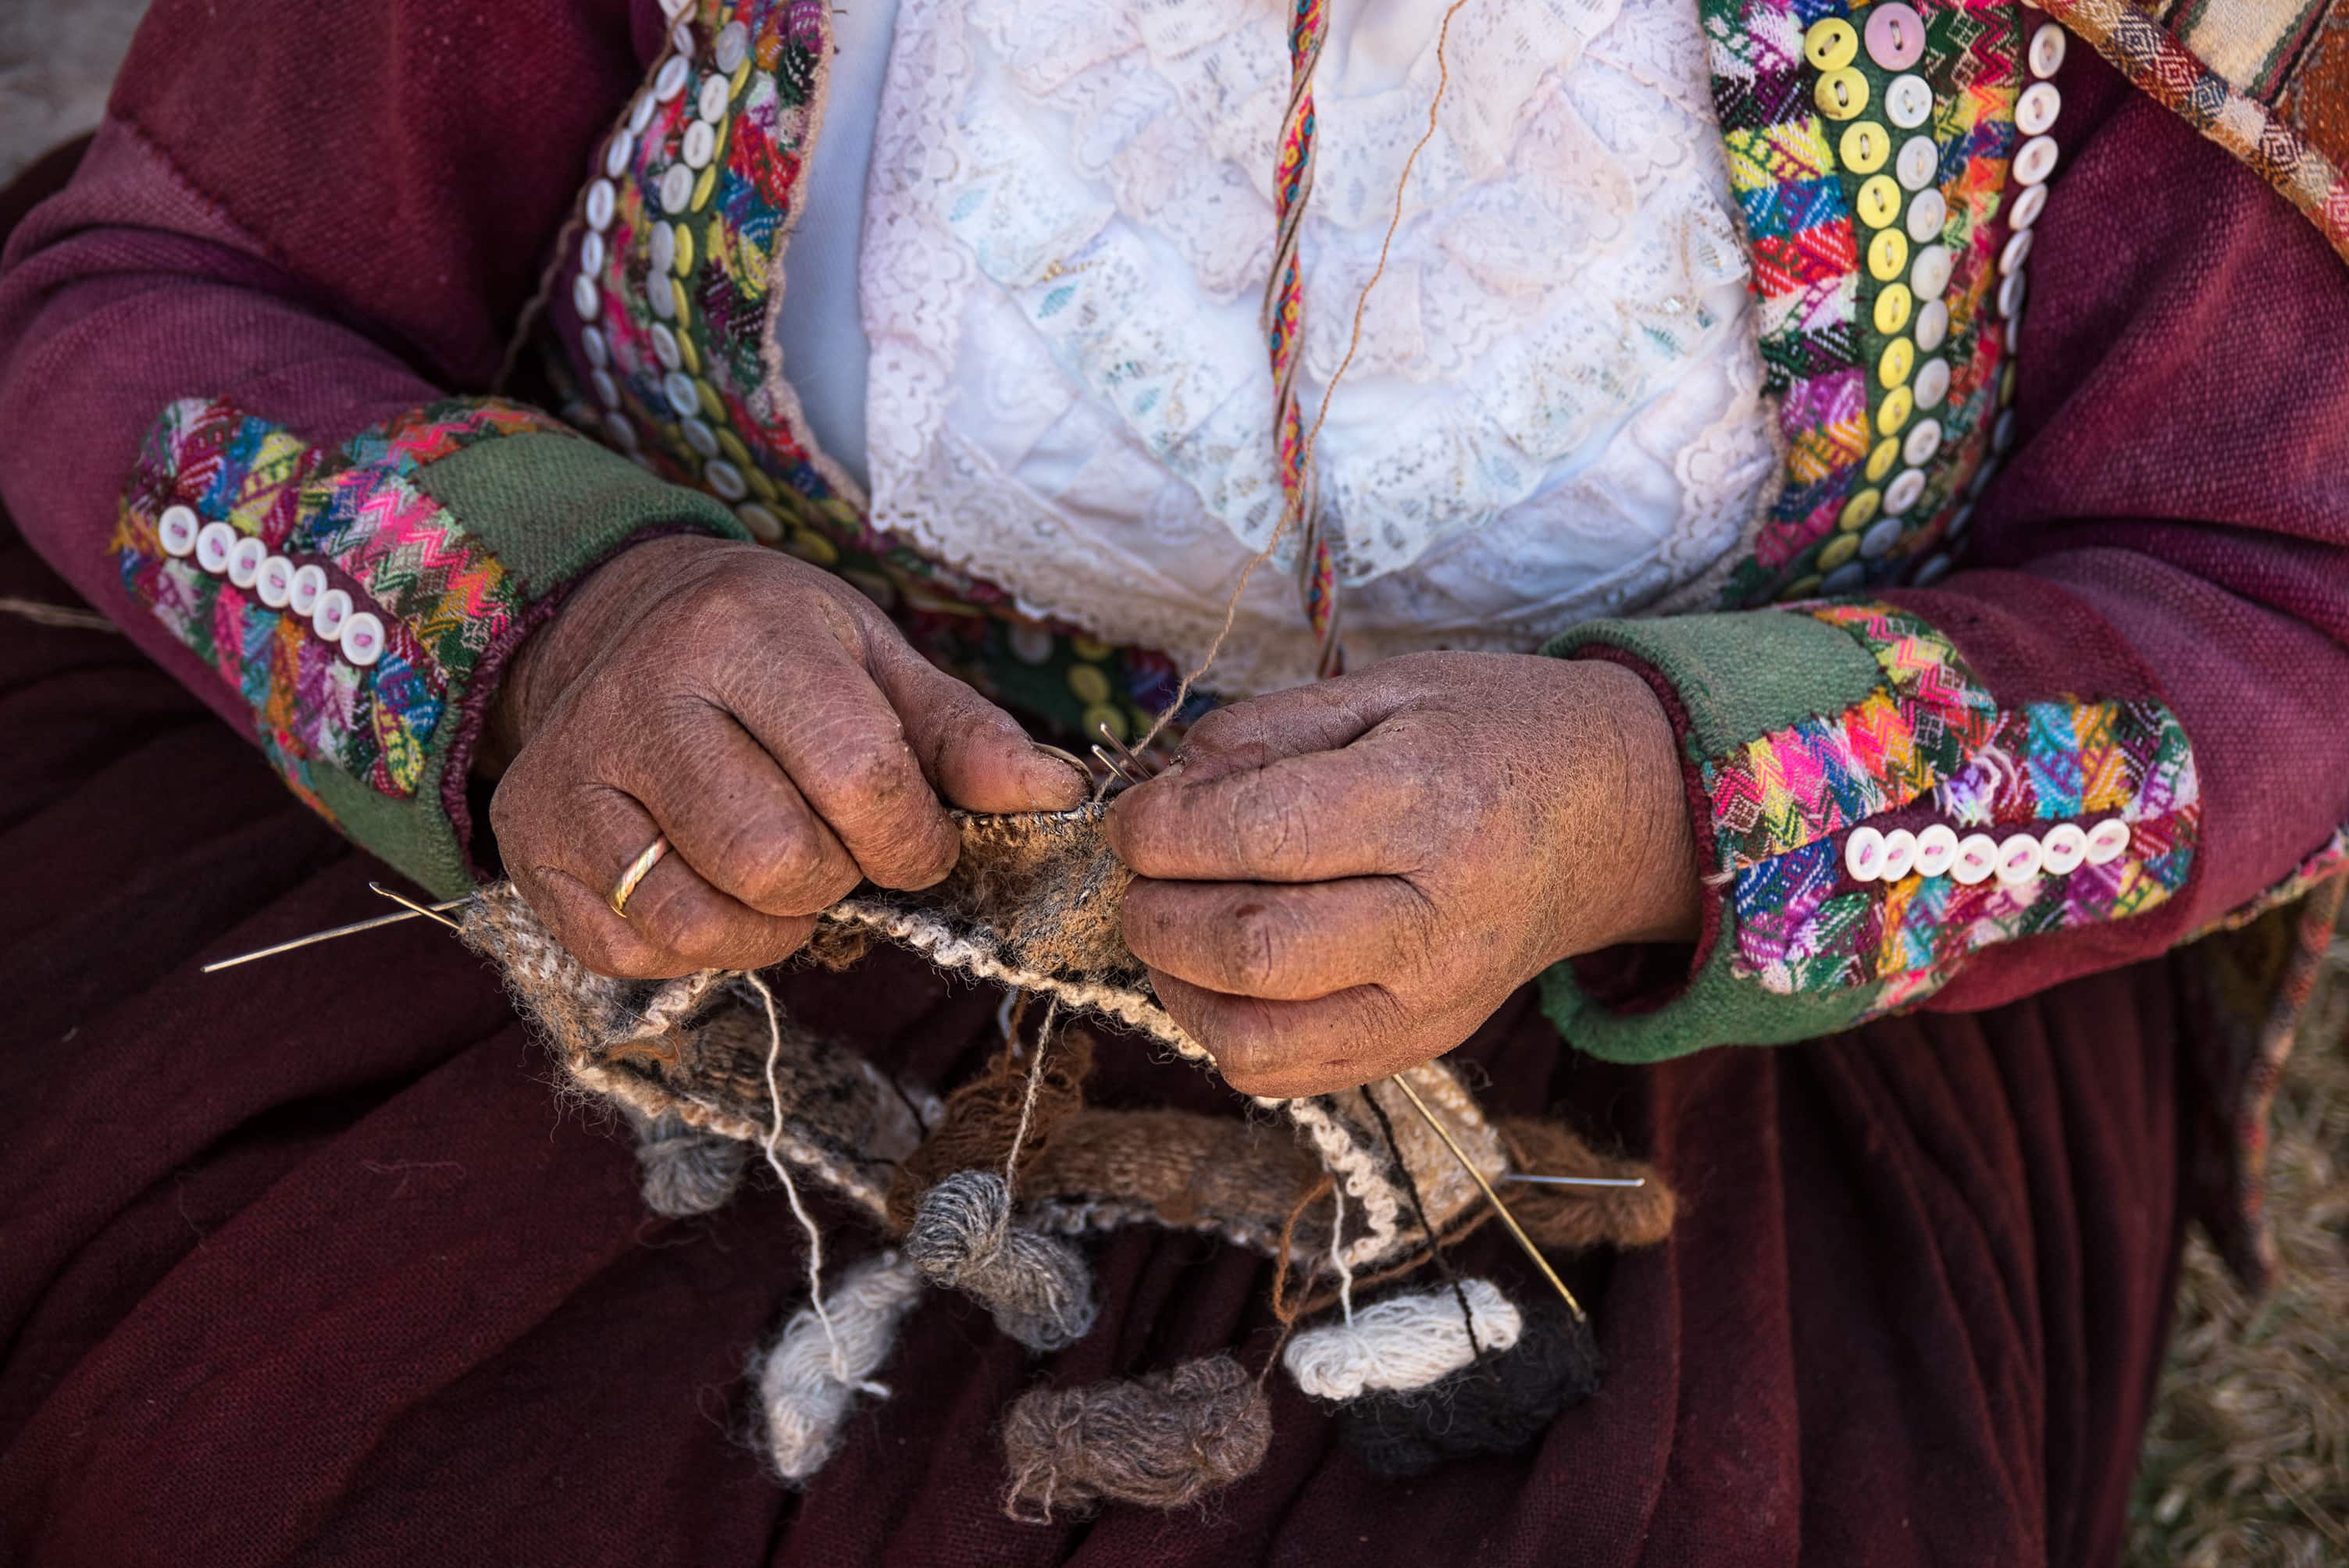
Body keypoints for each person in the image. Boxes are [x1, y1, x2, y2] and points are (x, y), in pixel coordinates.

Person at [1, 0, 2345, 1561]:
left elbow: (2285, 606)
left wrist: (1649, 802)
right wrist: (568, 628)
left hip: (1670, 1073)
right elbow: (172, 297)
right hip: (667, 877)